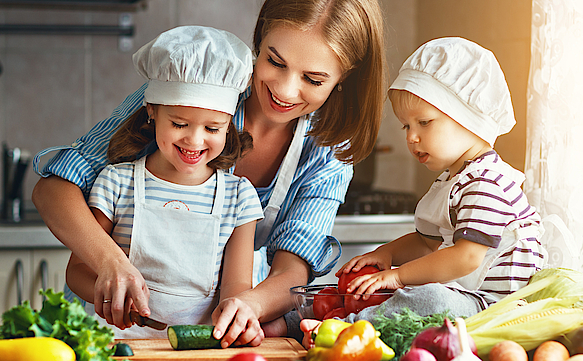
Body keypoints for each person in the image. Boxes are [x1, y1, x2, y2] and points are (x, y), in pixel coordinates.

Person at [31, 0, 386, 347]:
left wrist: (248, 306)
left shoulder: (329, 148)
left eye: (313, 78)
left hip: (202, 334)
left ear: (344, 78)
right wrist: (111, 264)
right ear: (259, 40)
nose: (284, 89)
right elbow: (54, 189)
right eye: (275, 61)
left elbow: (291, 270)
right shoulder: (192, 84)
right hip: (103, 327)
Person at [301, 37, 548, 347]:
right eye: (406, 126)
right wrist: (386, 254)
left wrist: (399, 276)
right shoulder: (453, 180)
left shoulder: (487, 182)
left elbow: (467, 257)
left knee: (427, 297)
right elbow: (425, 243)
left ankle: (343, 329)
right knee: (413, 293)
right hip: (465, 296)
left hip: (495, 307)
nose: (412, 137)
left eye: (424, 122)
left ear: (469, 118)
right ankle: (321, 318)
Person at [64, 26, 264, 339]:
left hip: (196, 350)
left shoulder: (239, 198)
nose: (194, 141)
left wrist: (236, 318)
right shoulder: (117, 183)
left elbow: (236, 289)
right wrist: (110, 296)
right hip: (118, 342)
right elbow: (77, 271)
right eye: (179, 123)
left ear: (229, 124)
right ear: (152, 111)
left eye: (213, 128)